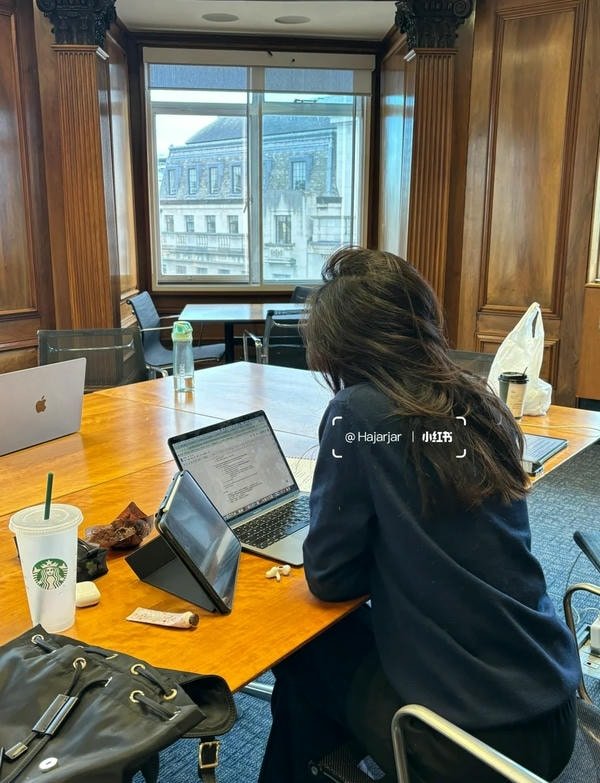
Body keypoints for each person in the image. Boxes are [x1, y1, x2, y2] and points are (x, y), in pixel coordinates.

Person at [258, 247, 580, 783]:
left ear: (340, 349)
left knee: (306, 656)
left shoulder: (358, 413)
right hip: (550, 707)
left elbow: (330, 579)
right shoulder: (478, 403)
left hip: (474, 749)